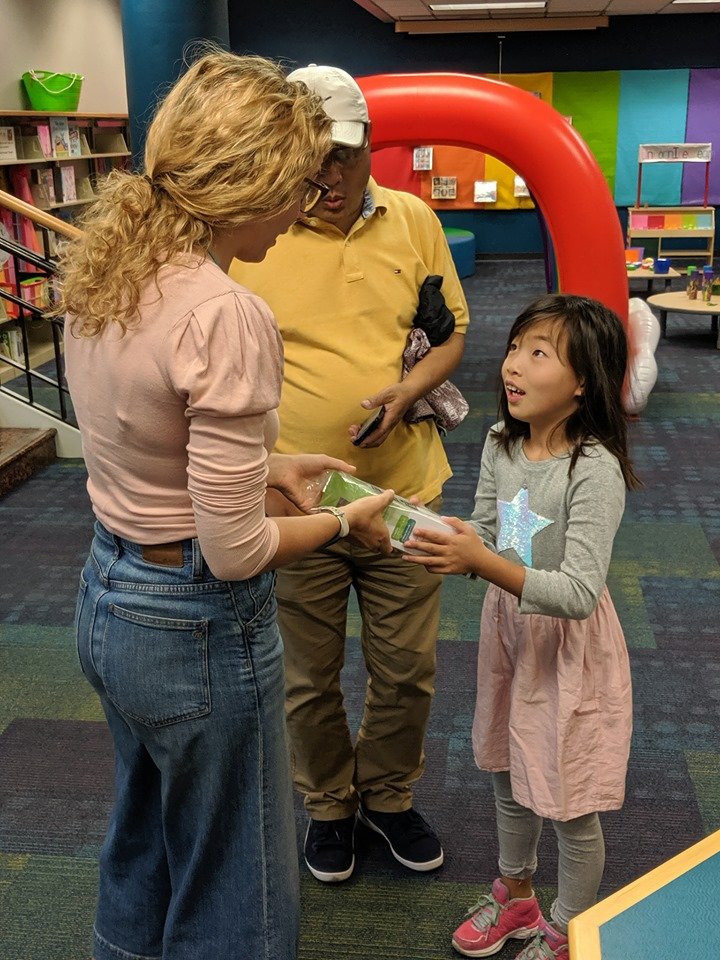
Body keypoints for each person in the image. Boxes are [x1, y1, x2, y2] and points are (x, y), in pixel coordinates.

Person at [57, 50, 395, 960]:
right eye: (292, 188)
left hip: (108, 596)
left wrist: (272, 462)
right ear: (244, 184)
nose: (301, 211)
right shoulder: (226, 311)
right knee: (237, 885)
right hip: (195, 626)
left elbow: (145, 432)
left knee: (143, 843)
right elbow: (237, 550)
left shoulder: (108, 271)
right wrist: (342, 521)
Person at [230, 64, 470, 883]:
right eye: (313, 160)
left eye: (346, 156)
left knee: (407, 670)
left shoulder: (412, 220)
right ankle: (329, 806)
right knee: (308, 676)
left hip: (404, 490)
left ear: (370, 147)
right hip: (297, 503)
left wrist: (409, 390)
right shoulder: (254, 236)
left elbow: (450, 335)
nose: (331, 178)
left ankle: (390, 798)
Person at [403, 294, 638, 959]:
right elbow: (486, 530)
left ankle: (567, 926)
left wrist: (481, 559)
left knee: (568, 799)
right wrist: (439, 540)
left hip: (568, 647)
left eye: (539, 354)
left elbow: (578, 591)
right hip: (508, 636)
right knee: (507, 772)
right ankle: (519, 894)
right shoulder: (502, 440)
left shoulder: (593, 469)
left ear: (583, 379)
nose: (514, 366)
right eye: (514, 348)